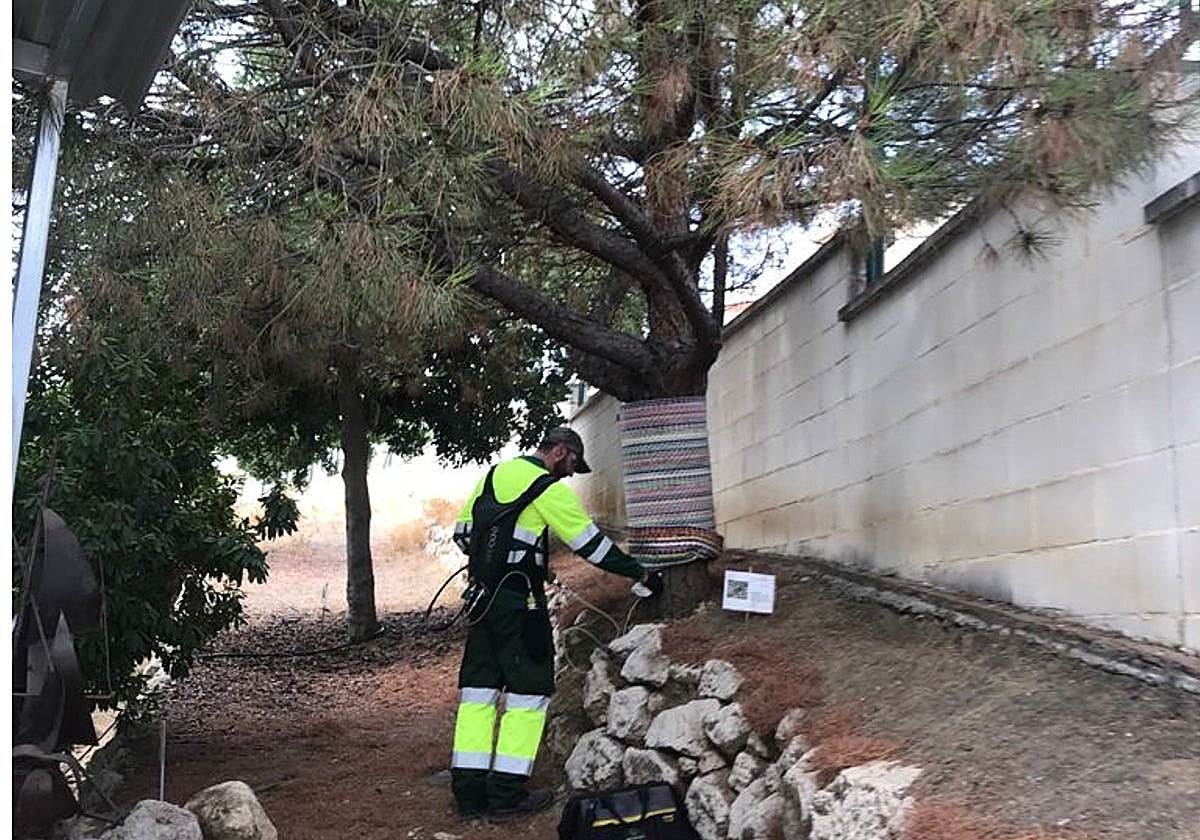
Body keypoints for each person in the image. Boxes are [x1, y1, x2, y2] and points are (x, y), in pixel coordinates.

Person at [448, 426, 662, 821]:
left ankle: (468, 792)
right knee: (528, 695)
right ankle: (506, 796)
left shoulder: (495, 474)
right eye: (570, 465)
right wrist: (641, 573)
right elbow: (592, 546)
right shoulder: (548, 489)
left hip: (481, 604)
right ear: (560, 451)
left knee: (478, 692)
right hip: (520, 609)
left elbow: (463, 535)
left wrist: (512, 556)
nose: (569, 474)